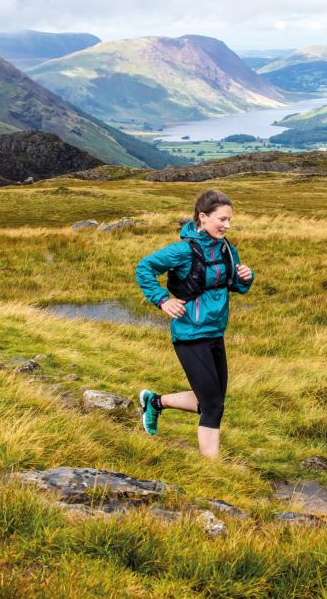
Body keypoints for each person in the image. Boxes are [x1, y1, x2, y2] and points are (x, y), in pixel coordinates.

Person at [134, 189, 254, 459]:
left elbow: (233, 284)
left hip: (215, 332)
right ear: (203, 217)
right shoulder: (183, 250)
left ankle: (154, 402)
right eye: (222, 219)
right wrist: (163, 300)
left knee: (212, 402)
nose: (227, 225)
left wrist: (246, 277)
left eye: (229, 220)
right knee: (212, 406)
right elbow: (144, 267)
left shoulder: (226, 248)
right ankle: (211, 469)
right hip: (190, 334)